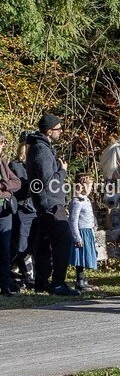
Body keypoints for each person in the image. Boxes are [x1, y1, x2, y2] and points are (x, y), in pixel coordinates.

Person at [26, 114, 77, 295]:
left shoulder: (40, 148)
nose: (61, 131)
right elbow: (48, 181)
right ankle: (57, 283)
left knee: (44, 245)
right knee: (64, 242)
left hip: (47, 204)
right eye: (58, 128)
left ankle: (42, 284)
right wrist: (62, 172)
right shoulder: (41, 150)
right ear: (49, 131)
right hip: (51, 205)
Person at [8, 132, 35, 291]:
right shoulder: (15, 165)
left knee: (32, 245)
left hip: (34, 208)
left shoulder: (33, 163)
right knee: (21, 245)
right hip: (22, 209)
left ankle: (29, 275)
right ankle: (25, 276)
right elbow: (17, 187)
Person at [0, 132, 22, 296]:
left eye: (3, 141)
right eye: (0, 142)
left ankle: (5, 285)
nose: (2, 145)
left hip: (5, 212)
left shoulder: (2, 163)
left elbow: (17, 182)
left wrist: (4, 186)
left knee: (5, 249)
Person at [69, 172, 98, 291]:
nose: (91, 188)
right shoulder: (77, 201)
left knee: (85, 256)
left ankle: (82, 279)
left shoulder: (85, 200)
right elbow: (72, 220)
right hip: (81, 232)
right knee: (80, 257)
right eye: (89, 185)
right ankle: (79, 281)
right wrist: (77, 237)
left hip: (88, 230)